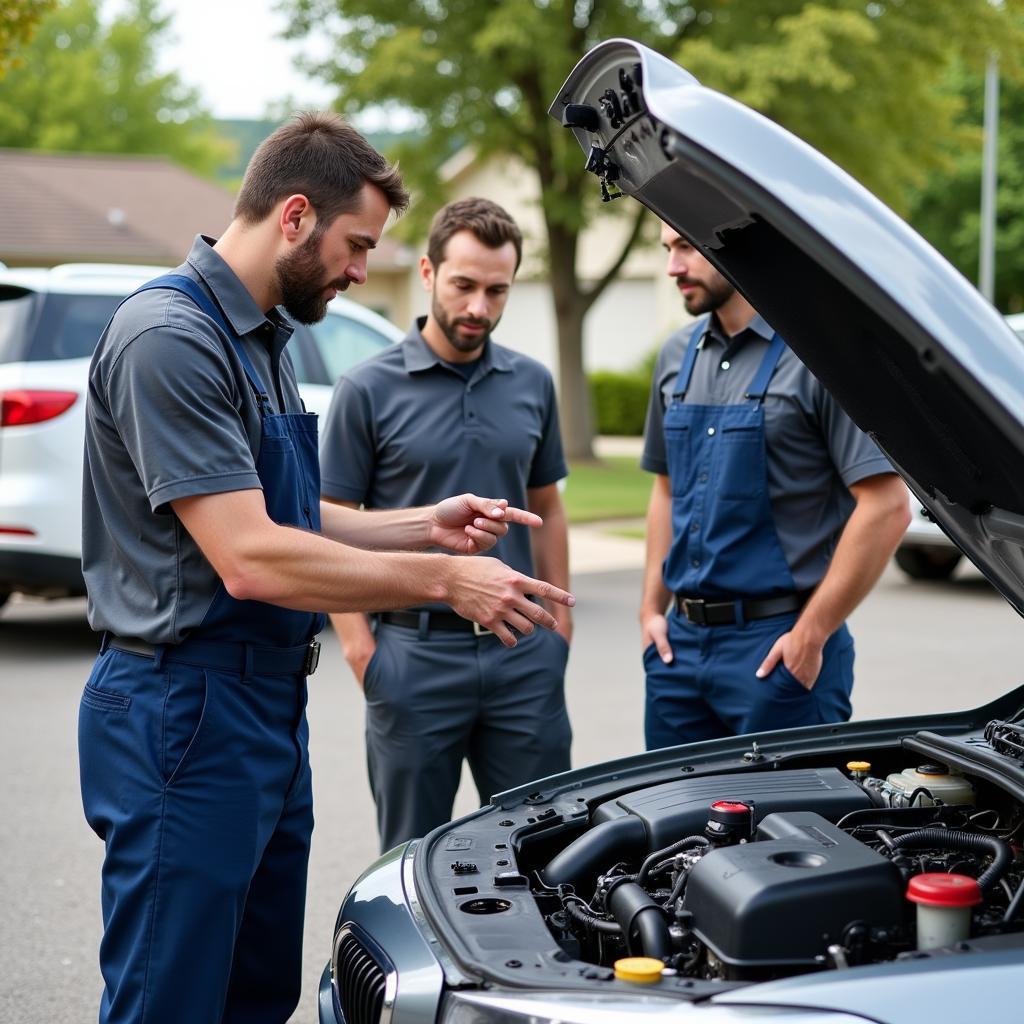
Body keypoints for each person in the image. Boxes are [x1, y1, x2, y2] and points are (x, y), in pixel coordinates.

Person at [78, 117, 573, 1024]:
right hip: (183, 712)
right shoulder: (169, 336)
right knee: (172, 998)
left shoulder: (262, 337)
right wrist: (443, 581)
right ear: (296, 216)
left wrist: (428, 525)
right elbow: (250, 556)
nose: (358, 272)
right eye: (357, 247)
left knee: (255, 991)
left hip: (262, 708)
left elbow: (291, 518)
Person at [320, 197, 573, 852]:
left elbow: (548, 502)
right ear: (428, 273)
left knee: (543, 852)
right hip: (411, 655)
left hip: (523, 654)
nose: (479, 308)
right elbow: (329, 524)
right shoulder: (366, 389)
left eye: (497, 290)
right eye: (464, 285)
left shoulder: (532, 382)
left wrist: (559, 630)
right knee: (412, 859)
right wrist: (360, 648)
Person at [639, 222, 910, 750]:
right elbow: (666, 490)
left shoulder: (821, 357)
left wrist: (811, 636)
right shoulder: (676, 356)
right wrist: (651, 611)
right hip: (679, 651)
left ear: (734, 248)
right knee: (676, 831)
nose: (673, 267)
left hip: (779, 651)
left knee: (785, 831)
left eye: (687, 247)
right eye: (668, 249)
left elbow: (887, 506)